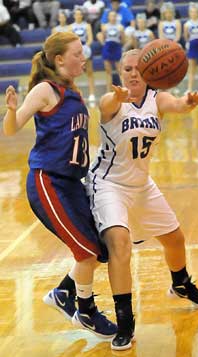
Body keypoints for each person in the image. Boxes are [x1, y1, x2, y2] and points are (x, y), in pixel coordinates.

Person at [85, 49, 198, 350]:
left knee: (175, 239)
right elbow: (107, 105)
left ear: (149, 72)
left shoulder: (157, 99)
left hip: (142, 185)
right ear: (120, 71)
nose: (132, 74)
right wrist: (118, 97)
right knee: (119, 243)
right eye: (127, 68)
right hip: (109, 185)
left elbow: (177, 104)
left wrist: (189, 103)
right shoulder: (112, 101)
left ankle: (181, 283)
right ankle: (125, 321)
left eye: (137, 69)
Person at [2, 31, 117, 339]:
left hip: (72, 181)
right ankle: (86, 311)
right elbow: (12, 130)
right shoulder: (45, 89)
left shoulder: (74, 91)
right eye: (78, 53)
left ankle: (62, 294)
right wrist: (11, 110)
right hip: (47, 180)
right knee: (86, 251)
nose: (84, 57)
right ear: (60, 59)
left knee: (99, 248)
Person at [69, 6, 96, 105]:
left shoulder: (87, 26)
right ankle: (74, 95)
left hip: (85, 50)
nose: (78, 16)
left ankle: (92, 95)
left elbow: (90, 39)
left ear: (82, 15)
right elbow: (70, 40)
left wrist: (85, 47)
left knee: (89, 72)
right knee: (73, 73)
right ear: (74, 16)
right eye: (76, 14)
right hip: (75, 51)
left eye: (80, 14)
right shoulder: (71, 27)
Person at [97, 10, 125, 92]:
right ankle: (108, 92)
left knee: (119, 70)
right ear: (108, 17)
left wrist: (120, 46)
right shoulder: (105, 27)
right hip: (108, 47)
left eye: (114, 16)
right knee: (108, 71)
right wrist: (104, 44)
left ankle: (124, 90)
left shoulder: (120, 27)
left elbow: (123, 40)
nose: (112, 18)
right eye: (111, 16)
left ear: (116, 17)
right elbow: (104, 37)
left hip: (116, 47)